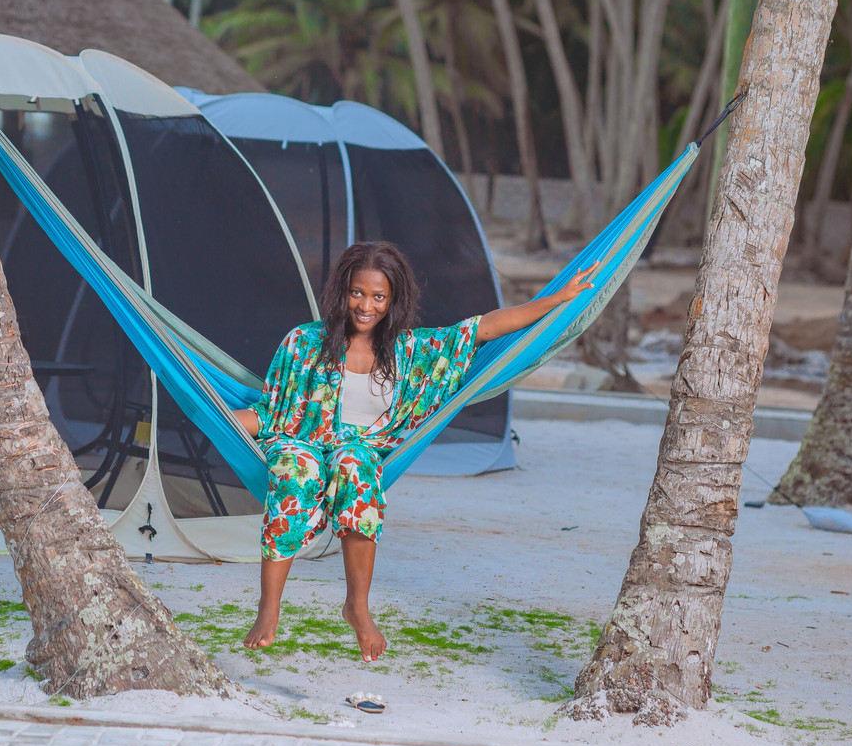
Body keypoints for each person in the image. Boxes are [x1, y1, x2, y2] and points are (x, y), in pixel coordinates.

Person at [233, 241, 596, 662]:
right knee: (298, 472)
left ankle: (358, 607)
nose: (365, 305)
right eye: (356, 292)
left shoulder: (411, 352)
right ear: (341, 291)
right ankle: (269, 606)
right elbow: (273, 411)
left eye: (377, 296)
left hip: (363, 447)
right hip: (304, 441)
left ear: (393, 300)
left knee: (355, 469)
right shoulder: (304, 343)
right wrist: (211, 411)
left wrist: (559, 298)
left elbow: (486, 328)